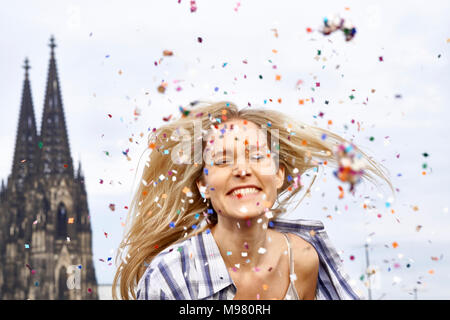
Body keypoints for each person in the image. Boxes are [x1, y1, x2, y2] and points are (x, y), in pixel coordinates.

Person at [112, 101, 393, 300]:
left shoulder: (304, 260)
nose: (242, 170)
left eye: (257, 156)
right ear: (203, 185)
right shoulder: (169, 276)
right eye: (222, 160)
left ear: (279, 174)